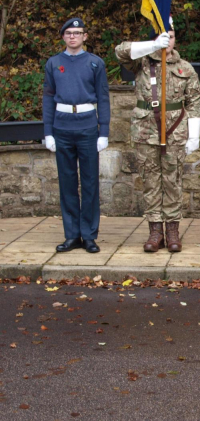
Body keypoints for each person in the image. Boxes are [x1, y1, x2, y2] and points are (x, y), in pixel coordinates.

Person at [115, 17, 200, 253]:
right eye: (163, 36)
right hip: (146, 132)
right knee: (151, 181)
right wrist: (152, 46)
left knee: (173, 181)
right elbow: (120, 52)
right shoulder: (141, 63)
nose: (168, 41)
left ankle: (172, 230)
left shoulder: (185, 68)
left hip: (175, 133)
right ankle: (155, 232)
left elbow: (195, 102)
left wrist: (194, 136)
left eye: (171, 36)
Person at [42, 17, 110, 254]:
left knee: (90, 183)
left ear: (85, 37)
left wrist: (105, 131)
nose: (73, 36)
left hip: (88, 128)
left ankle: (89, 235)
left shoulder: (95, 63)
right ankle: (72, 235)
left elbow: (103, 97)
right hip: (62, 128)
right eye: (69, 33)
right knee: (67, 183)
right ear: (63, 36)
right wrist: (48, 132)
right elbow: (48, 97)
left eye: (77, 33)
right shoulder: (53, 63)